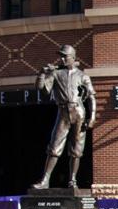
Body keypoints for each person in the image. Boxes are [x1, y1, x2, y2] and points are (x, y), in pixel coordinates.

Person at [32, 44, 95, 189]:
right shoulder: (56, 74)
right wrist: (42, 74)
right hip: (63, 111)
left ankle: (72, 180)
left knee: (77, 148)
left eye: (64, 56)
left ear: (73, 57)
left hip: (79, 112)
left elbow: (91, 97)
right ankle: (45, 180)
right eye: (60, 56)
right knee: (54, 146)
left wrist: (91, 118)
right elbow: (42, 89)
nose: (61, 59)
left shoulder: (82, 75)